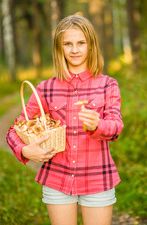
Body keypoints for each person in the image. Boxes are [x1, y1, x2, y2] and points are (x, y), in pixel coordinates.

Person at [7, 14, 124, 225]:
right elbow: (14, 129)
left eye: (81, 43)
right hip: (57, 179)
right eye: (67, 44)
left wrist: (98, 125)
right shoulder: (46, 88)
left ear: (91, 45)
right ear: (59, 48)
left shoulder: (108, 85)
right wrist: (25, 150)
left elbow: (116, 127)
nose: (75, 50)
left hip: (98, 177)